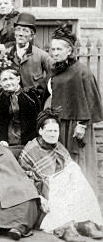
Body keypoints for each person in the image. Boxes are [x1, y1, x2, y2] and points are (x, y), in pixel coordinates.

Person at [19, 108, 103, 242]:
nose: (53, 135)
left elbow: (69, 167)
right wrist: (39, 196)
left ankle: (86, 223)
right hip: (44, 190)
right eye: (49, 131)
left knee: (76, 173)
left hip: (65, 187)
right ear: (40, 131)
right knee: (60, 183)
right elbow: (24, 178)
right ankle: (66, 228)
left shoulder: (59, 146)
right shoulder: (30, 150)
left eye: (55, 131)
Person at [45, 24, 103, 193]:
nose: (54, 52)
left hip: (75, 125)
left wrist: (82, 124)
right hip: (59, 123)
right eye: (52, 49)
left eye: (58, 49)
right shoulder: (55, 69)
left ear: (69, 50)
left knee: (77, 163)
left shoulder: (81, 71)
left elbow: (90, 98)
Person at [0, 57, 41, 155]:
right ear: (0, 82)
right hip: (4, 142)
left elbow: (38, 120)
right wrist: (1, 139)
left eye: (11, 78)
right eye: (4, 80)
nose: (8, 83)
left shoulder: (31, 96)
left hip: (28, 141)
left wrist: (32, 140)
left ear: (18, 79)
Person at [0, 12, 53, 98]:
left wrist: (42, 92)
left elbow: (53, 74)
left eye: (25, 30)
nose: (21, 33)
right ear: (14, 33)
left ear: (31, 36)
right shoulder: (5, 53)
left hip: (33, 103)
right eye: (18, 29)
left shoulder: (41, 56)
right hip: (9, 102)